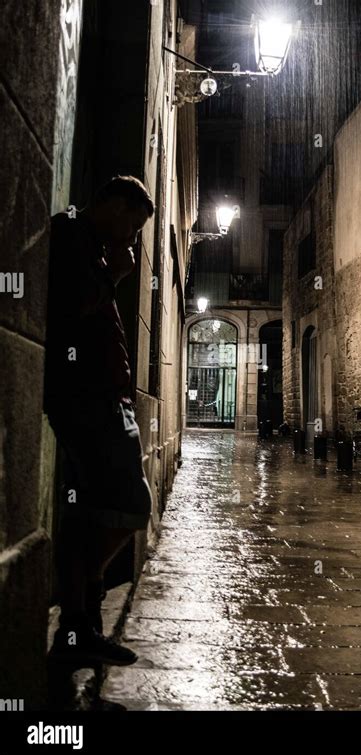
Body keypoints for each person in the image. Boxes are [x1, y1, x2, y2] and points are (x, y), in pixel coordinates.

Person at [45, 176, 154, 666]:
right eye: (133, 220)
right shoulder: (72, 237)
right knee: (131, 502)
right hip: (86, 401)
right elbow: (69, 309)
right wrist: (116, 276)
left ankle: (79, 626)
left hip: (100, 400)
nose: (134, 233)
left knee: (89, 514)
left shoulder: (92, 245)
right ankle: (82, 604)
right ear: (110, 203)